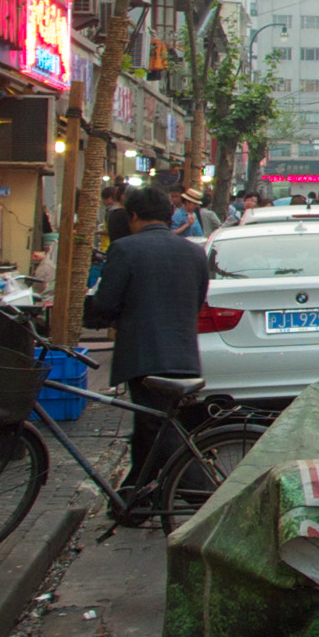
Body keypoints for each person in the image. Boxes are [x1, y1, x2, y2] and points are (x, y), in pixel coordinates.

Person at [82, 183, 213, 485]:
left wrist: (102, 314)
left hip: (144, 355)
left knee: (157, 429)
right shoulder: (193, 252)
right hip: (184, 353)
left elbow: (106, 303)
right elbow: (197, 301)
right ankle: (133, 495)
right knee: (147, 428)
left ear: (135, 215)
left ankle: (204, 497)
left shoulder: (126, 249)